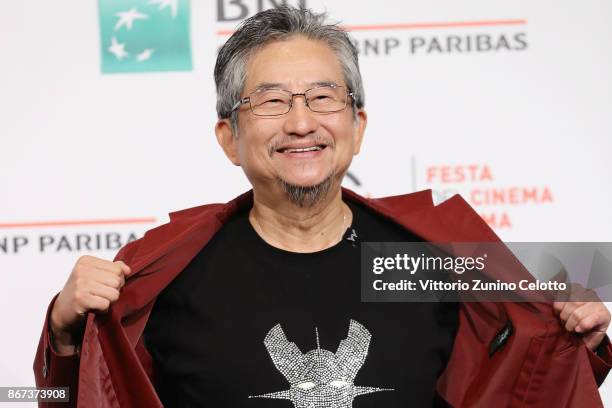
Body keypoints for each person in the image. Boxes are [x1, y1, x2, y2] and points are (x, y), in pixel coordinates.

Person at [34, 6, 611, 407]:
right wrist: (63, 335)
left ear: (357, 127)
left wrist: (574, 341)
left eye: (323, 96)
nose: (302, 121)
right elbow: (67, 401)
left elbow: (522, 386)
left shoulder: (427, 262)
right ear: (229, 137)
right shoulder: (159, 278)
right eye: (271, 100)